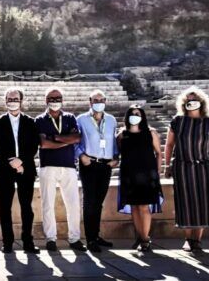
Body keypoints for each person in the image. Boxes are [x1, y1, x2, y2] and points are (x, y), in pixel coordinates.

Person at [164, 86, 209, 255]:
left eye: (195, 100)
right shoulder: (177, 121)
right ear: (184, 103)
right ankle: (188, 239)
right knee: (186, 202)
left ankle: (197, 240)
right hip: (183, 166)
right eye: (189, 100)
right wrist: (167, 166)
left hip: (204, 167)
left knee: (204, 203)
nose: (192, 103)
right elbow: (169, 145)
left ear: (202, 103)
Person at [36, 88, 86, 252]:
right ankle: (51, 238)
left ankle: (75, 238)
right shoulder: (39, 120)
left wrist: (55, 138)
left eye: (58, 97)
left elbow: (76, 138)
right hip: (48, 166)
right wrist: (66, 140)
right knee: (47, 204)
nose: (55, 100)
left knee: (73, 204)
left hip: (69, 166)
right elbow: (43, 144)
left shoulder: (70, 118)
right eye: (52, 98)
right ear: (46, 100)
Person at [0, 87, 40, 254]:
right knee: (5, 206)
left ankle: (28, 242)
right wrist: (12, 161)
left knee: (26, 206)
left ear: (21, 101)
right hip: (5, 169)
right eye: (10, 99)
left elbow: (34, 146)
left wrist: (22, 162)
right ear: (5, 101)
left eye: (15, 99)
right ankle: (8, 242)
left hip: (26, 168)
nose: (13, 101)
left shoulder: (30, 122)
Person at [75, 89, 119, 253]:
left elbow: (112, 140)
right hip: (89, 164)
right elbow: (75, 142)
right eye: (95, 100)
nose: (99, 103)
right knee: (89, 202)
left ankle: (97, 235)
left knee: (98, 202)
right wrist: (81, 156)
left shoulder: (112, 120)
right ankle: (90, 239)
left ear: (105, 101)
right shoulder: (81, 119)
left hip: (105, 165)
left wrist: (116, 157)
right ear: (90, 102)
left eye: (102, 100)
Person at [117, 104, 163, 253]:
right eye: (132, 113)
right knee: (134, 207)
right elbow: (118, 153)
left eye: (138, 113)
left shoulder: (151, 133)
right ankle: (141, 237)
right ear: (127, 116)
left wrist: (158, 171)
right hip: (129, 175)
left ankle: (145, 238)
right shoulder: (122, 134)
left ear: (142, 116)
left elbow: (159, 153)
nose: (135, 116)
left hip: (147, 175)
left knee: (144, 207)